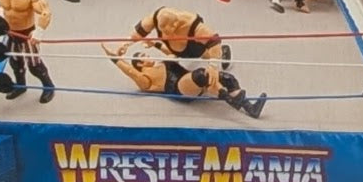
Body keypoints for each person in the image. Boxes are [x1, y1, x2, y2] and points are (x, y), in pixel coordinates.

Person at [101, 44, 266, 119]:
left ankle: (250, 108)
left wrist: (155, 44)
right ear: (139, 64)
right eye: (144, 57)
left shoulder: (161, 63)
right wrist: (114, 58)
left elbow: (171, 52)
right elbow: (131, 72)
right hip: (180, 88)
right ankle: (228, 97)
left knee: (228, 78)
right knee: (202, 74)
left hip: (190, 80)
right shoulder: (145, 79)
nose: (148, 56)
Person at [129, 6, 227, 63]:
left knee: (205, 56)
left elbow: (214, 40)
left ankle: (223, 52)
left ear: (175, 24)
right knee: (173, 55)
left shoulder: (193, 24)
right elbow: (137, 34)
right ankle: (156, 44)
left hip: (191, 44)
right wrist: (125, 45)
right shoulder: (154, 19)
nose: (164, 33)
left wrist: (213, 66)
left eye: (167, 30)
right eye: (162, 29)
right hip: (174, 48)